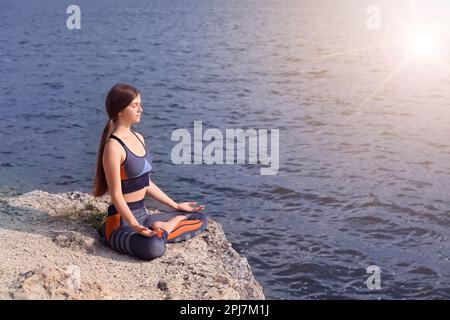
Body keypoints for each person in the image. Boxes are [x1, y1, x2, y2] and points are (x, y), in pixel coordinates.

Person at [92, 83, 207, 260]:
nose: (141, 109)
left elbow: (146, 183)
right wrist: (134, 225)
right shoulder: (113, 147)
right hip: (121, 224)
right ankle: (166, 228)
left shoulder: (139, 138)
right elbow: (116, 196)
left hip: (143, 216)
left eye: (140, 104)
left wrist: (176, 206)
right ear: (120, 110)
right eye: (134, 105)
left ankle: (162, 227)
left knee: (198, 217)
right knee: (153, 248)